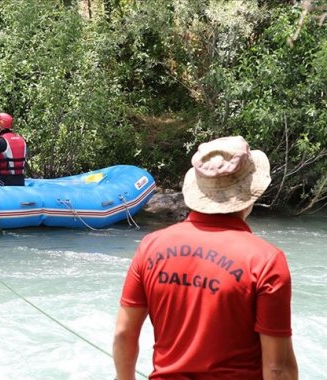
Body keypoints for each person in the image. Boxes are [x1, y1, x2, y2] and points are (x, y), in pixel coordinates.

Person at [113, 136, 298, 380]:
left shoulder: (151, 247)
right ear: (250, 193)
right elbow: (277, 368)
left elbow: (123, 334)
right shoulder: (266, 261)